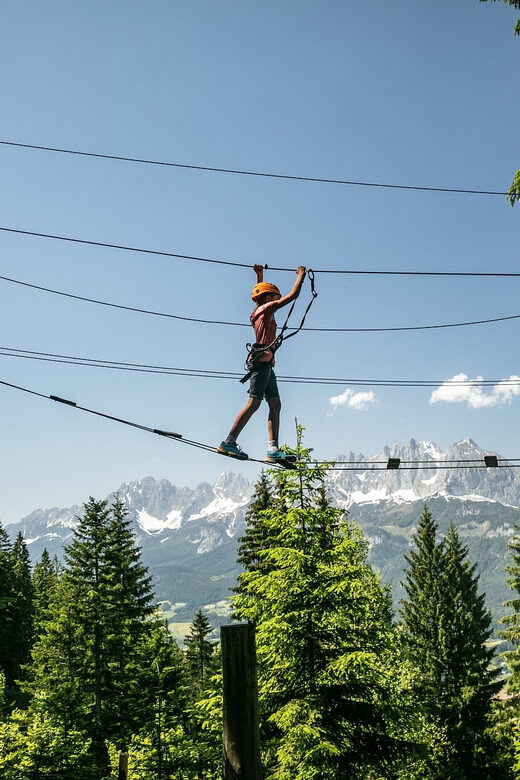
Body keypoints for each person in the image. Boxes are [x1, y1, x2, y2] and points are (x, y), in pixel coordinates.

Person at [217, 264, 307, 463]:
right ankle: (228, 442)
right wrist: (300, 275)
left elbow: (260, 293)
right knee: (254, 403)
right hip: (262, 363)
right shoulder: (267, 308)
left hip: (266, 364)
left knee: (275, 403)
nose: (277, 300)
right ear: (268, 299)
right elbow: (292, 296)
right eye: (274, 297)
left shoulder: (258, 311)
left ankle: (273, 449)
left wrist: (260, 275)